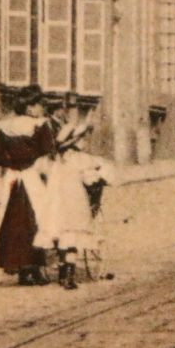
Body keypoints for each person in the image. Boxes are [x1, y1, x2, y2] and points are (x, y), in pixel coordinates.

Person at [33, 117, 114, 290]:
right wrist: (99, 179)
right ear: (74, 142)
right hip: (73, 202)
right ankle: (68, 276)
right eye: (82, 138)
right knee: (72, 236)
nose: (84, 142)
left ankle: (63, 273)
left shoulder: (51, 160)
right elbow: (93, 176)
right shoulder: (79, 159)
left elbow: (39, 171)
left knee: (60, 235)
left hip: (54, 203)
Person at [0, 86, 54, 286]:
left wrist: (13, 164)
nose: (41, 109)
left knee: (15, 224)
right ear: (28, 107)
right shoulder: (41, 125)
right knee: (38, 220)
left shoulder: (6, 126)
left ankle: (22, 269)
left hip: (13, 179)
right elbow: (48, 150)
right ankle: (36, 267)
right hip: (32, 176)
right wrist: (31, 162)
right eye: (38, 105)